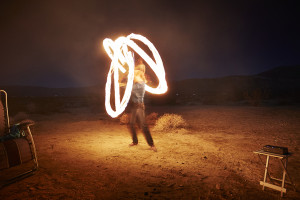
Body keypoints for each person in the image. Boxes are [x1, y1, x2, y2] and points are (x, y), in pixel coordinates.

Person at [128, 59, 157, 152]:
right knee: (131, 124)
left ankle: (152, 144)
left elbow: (136, 92)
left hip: (139, 106)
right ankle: (135, 141)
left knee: (143, 125)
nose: (132, 76)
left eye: (134, 74)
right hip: (134, 106)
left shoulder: (140, 83)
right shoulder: (136, 83)